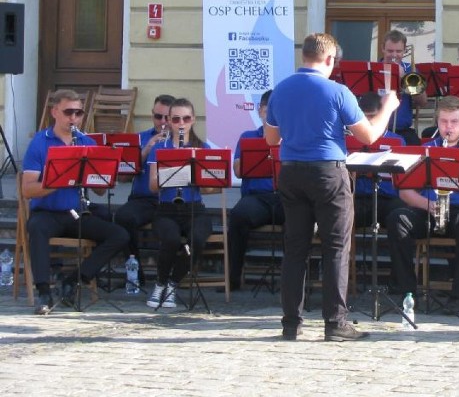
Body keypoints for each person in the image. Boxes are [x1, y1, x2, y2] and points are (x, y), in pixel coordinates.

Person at [265, 33, 399, 342]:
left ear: (304, 56)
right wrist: (387, 108)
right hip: (328, 173)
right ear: (329, 59)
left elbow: (272, 140)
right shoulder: (338, 92)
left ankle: (290, 324)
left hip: (291, 172)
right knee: (336, 247)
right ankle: (336, 323)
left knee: (295, 248)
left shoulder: (280, 90)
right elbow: (369, 137)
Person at [386, 95, 459, 315]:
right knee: (397, 219)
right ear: (437, 122)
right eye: (444, 122)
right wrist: (428, 205)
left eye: (454, 122)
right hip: (430, 208)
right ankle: (409, 293)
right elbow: (406, 192)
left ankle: (457, 296)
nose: (449, 127)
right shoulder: (425, 150)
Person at [21, 89, 129, 314]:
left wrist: (106, 177)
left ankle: (74, 281)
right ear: (55, 112)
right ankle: (44, 292)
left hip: (75, 212)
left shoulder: (86, 142)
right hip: (46, 212)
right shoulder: (40, 142)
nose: (74, 118)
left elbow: (99, 192)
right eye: (68, 112)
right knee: (37, 228)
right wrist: (60, 179)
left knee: (119, 235)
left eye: (78, 113)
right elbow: (27, 189)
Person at [146, 98, 215, 309]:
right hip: (167, 209)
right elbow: (153, 187)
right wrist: (173, 176)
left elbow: (210, 189)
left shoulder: (203, 148)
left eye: (186, 118)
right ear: (169, 121)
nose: (181, 123)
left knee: (198, 239)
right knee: (171, 239)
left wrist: (196, 178)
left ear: (193, 120)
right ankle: (160, 283)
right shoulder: (160, 148)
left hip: (194, 208)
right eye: (176, 119)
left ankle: (173, 284)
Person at [113, 93, 174, 287]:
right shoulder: (139, 139)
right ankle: (135, 272)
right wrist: (146, 150)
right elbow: (122, 177)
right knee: (123, 217)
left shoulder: (183, 139)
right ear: (152, 116)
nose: (162, 122)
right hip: (143, 200)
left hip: (170, 200)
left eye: (167, 118)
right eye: (158, 117)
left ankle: (168, 277)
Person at [227, 89, 284, 291]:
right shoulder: (248, 137)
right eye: (268, 111)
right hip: (257, 199)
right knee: (237, 217)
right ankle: (233, 277)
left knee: (299, 219)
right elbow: (237, 170)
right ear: (260, 111)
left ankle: (293, 281)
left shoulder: (291, 138)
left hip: (284, 198)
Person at [352, 91, 408, 231]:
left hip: (387, 199)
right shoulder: (350, 141)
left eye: (372, 116)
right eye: (364, 117)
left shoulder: (397, 141)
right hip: (358, 198)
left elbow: (402, 180)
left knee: (399, 214)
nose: (368, 121)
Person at [381, 29, 429, 147]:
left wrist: (404, 79)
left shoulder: (410, 70)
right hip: (379, 129)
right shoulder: (374, 69)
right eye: (390, 51)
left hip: (403, 130)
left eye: (398, 51)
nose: (394, 55)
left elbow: (422, 102)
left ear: (404, 51)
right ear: (383, 49)